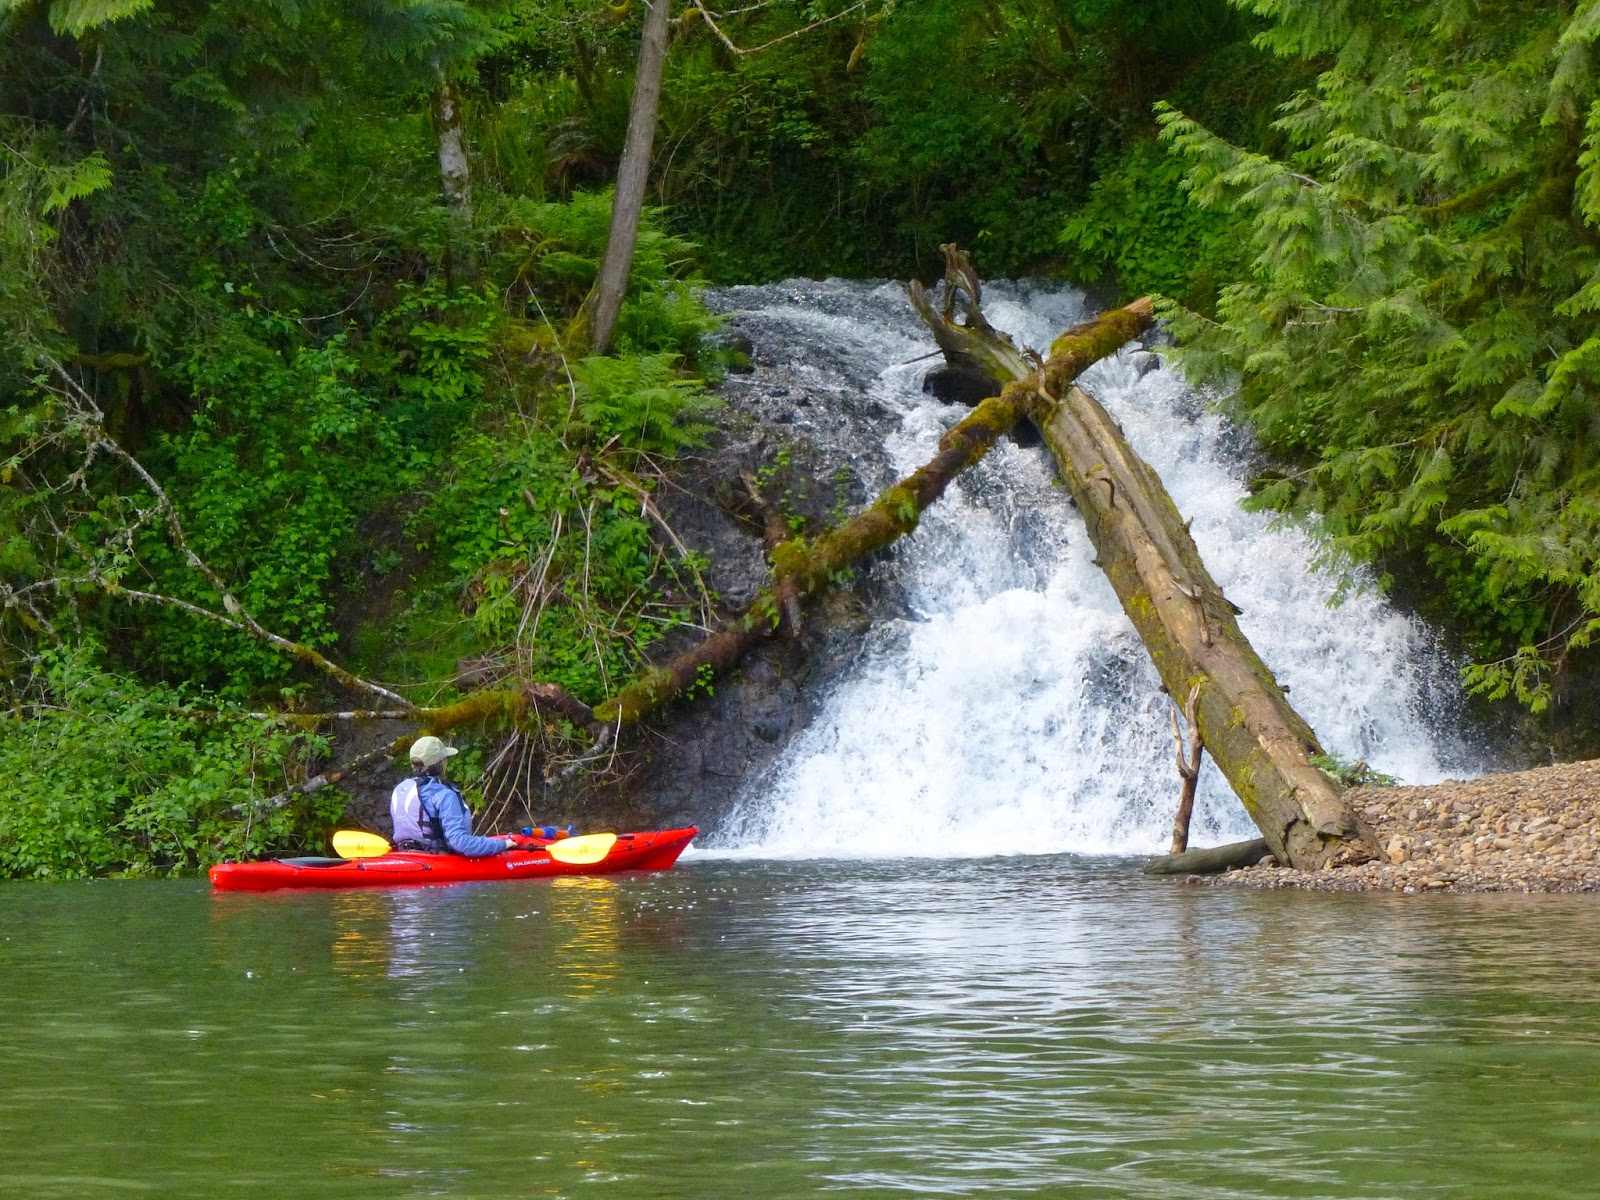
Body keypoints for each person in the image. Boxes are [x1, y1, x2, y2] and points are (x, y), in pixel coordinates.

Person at [390, 736, 517, 856]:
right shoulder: (444, 795)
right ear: (441, 762)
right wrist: (502, 845)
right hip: (437, 861)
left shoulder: (400, 789)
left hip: (403, 854)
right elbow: (459, 843)